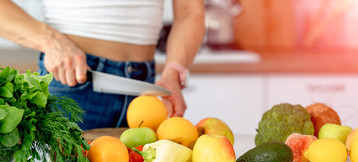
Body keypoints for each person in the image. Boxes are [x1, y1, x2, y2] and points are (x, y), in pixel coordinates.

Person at [0, 0, 205, 130]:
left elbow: (189, 11)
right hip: (73, 81)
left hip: (145, 93)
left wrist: (174, 70)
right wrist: (50, 41)